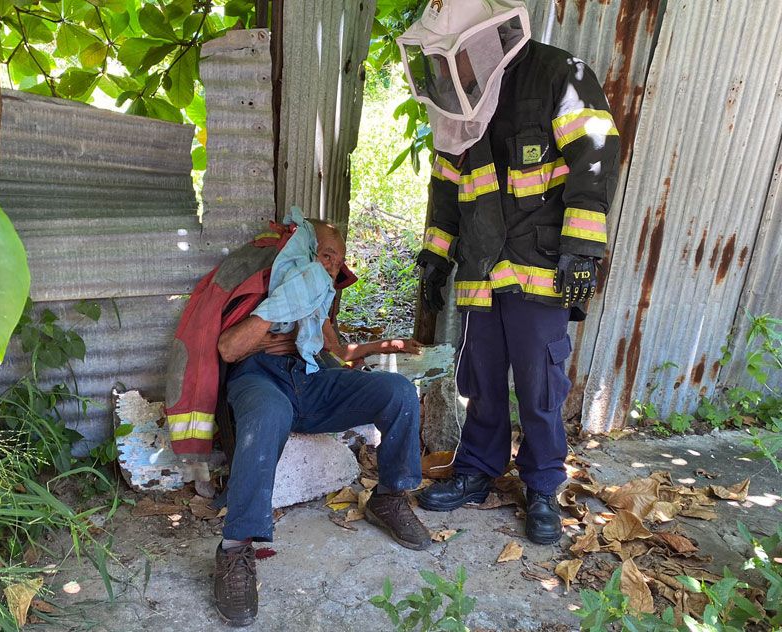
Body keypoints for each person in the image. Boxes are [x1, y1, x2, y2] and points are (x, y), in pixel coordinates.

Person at [396, 0, 620, 545]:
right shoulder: (458, 103)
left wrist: (581, 248)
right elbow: (447, 185)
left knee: (540, 384)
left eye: (455, 56)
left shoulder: (557, 75)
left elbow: (597, 157)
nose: (453, 71)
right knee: (482, 379)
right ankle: (477, 468)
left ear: (484, 40)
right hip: (481, 266)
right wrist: (435, 253)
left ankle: (542, 487)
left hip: (540, 266)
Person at [165, 209, 431, 626]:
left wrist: (389, 344)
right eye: (324, 254)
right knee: (268, 413)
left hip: (309, 378)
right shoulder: (274, 286)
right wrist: (282, 309)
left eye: (337, 260)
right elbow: (231, 349)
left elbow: (338, 351)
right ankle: (235, 551)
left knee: (397, 392)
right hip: (260, 380)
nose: (330, 265)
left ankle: (391, 498)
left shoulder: (316, 300)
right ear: (302, 249)